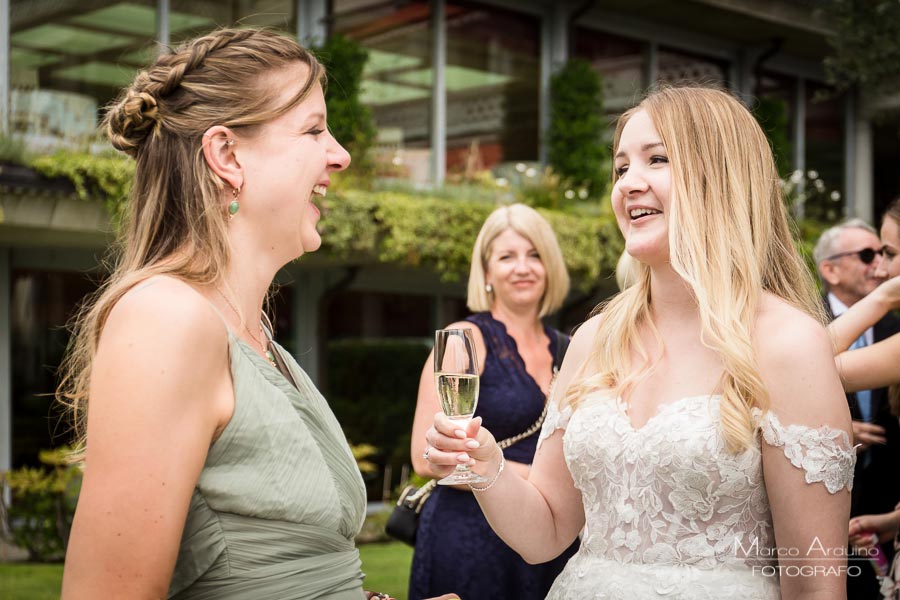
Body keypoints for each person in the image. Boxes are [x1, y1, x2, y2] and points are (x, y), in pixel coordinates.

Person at [57, 28, 456, 600]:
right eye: (314, 129)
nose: (340, 155)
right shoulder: (166, 320)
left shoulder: (261, 341)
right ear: (225, 155)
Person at [423, 86, 855, 599]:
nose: (629, 183)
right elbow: (545, 534)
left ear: (721, 177)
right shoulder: (592, 339)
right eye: (621, 168)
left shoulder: (787, 342)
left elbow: (817, 586)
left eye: (657, 159)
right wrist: (488, 465)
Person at [408, 204, 578, 600]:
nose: (523, 267)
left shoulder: (572, 349)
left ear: (550, 265)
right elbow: (424, 456)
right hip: (470, 536)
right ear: (486, 273)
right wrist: (538, 481)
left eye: (534, 255)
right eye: (507, 257)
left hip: (549, 540)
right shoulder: (463, 340)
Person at [815, 216, 900, 599]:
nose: (879, 268)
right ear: (828, 269)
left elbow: (802, 369)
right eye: (869, 254)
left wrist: (881, 299)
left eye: (887, 254)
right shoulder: (799, 319)